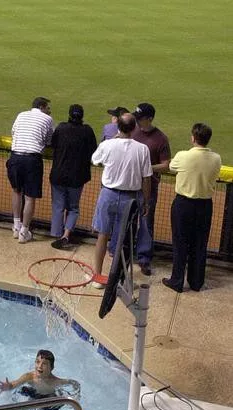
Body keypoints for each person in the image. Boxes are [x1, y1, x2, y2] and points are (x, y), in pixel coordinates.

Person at [90, 113, 153, 282]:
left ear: (118, 127)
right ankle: (116, 278)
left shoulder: (108, 145)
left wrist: (114, 139)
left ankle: (98, 276)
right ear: (134, 128)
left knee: (102, 235)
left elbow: (95, 160)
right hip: (131, 199)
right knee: (122, 239)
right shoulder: (142, 149)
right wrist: (146, 201)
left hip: (108, 195)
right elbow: (146, 178)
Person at [163, 123, 221, 293]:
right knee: (200, 243)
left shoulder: (183, 156)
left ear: (193, 138)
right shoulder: (216, 158)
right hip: (205, 206)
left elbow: (172, 167)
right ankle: (196, 282)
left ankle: (177, 281)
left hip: (183, 204)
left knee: (180, 242)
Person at [49, 104, 97, 250]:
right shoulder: (87, 131)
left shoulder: (61, 128)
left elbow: (53, 145)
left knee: (58, 206)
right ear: (81, 116)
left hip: (58, 174)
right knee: (73, 208)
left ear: (69, 115)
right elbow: (94, 151)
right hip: (77, 177)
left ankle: (57, 235)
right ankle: (66, 235)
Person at [7, 97, 54, 243]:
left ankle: (16, 227)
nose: (49, 110)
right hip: (32, 160)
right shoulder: (47, 119)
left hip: (14, 157)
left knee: (16, 191)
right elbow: (48, 141)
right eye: (47, 107)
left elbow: (13, 132)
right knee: (29, 197)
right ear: (41, 106)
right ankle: (24, 232)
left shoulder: (21, 115)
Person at [131, 103, 171, 276]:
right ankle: (125, 252)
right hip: (130, 184)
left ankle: (144, 258)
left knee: (146, 223)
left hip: (149, 188)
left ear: (150, 119)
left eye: (141, 119)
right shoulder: (133, 132)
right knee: (128, 220)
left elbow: (166, 165)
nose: (138, 122)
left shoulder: (161, 139)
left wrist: (147, 167)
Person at [0, 350, 80, 410]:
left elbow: (72, 383)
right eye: (37, 362)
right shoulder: (29, 376)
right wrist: (9, 386)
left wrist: (75, 386)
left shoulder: (55, 381)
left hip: (47, 398)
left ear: (52, 368)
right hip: (33, 393)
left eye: (44, 364)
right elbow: (16, 383)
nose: (39, 366)